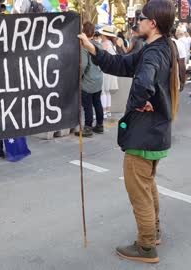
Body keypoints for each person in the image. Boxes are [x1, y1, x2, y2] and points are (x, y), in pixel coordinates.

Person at [79, 0, 179, 263]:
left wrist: (138, 104)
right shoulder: (160, 47)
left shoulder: (155, 52)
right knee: (147, 187)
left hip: (145, 133)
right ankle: (153, 233)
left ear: (153, 23)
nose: (137, 22)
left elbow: (144, 81)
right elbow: (122, 64)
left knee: (139, 191)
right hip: (155, 132)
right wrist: (93, 49)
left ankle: (146, 247)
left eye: (141, 18)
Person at [75, 22, 104, 137]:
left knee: (87, 105)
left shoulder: (85, 47)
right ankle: (100, 125)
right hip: (98, 78)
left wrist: (79, 77)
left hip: (88, 80)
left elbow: (83, 65)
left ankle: (87, 127)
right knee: (97, 102)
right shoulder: (98, 45)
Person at [99, 25, 119, 119]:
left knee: (103, 91)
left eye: (102, 34)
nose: (100, 36)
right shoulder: (111, 44)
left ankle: (103, 111)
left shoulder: (105, 44)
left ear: (105, 35)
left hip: (105, 70)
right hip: (111, 71)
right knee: (107, 91)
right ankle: (108, 110)